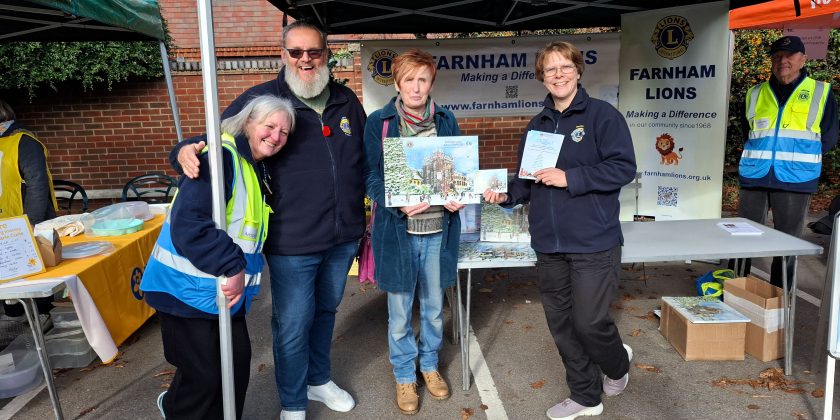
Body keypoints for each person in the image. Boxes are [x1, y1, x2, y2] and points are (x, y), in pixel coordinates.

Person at [170, 21, 366, 420]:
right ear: (283, 54)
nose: (305, 60)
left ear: (326, 54)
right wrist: (181, 150)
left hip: (343, 235)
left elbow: (365, 159)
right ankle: (293, 402)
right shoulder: (262, 98)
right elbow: (212, 139)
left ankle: (318, 379)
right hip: (292, 240)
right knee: (293, 324)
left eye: (314, 52)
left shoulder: (346, 100)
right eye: (296, 52)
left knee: (327, 313)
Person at [484, 41, 636, 420]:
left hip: (593, 242)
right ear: (542, 77)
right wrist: (504, 195)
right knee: (563, 326)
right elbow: (526, 182)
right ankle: (586, 396)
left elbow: (623, 168)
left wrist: (571, 177)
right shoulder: (537, 125)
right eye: (550, 70)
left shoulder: (603, 117)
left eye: (565, 67)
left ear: (578, 71)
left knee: (590, 322)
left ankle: (617, 364)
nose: (558, 75)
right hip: (549, 245)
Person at [141, 94, 296, 420]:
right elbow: (189, 224)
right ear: (249, 123)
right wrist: (232, 265)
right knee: (205, 379)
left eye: (284, 132)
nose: (276, 136)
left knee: (235, 370)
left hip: (222, 295)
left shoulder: (253, 165)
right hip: (183, 291)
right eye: (270, 126)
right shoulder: (222, 159)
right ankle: (174, 409)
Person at [363, 48, 463, 415]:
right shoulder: (381, 122)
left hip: (438, 230)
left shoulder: (447, 120)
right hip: (399, 233)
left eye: (423, 79)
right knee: (401, 312)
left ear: (431, 81)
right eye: (409, 79)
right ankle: (405, 374)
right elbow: (371, 176)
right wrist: (396, 202)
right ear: (398, 82)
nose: (416, 87)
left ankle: (430, 366)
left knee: (435, 309)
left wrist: (457, 195)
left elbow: (458, 170)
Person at [735, 35, 838, 289]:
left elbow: (829, 136)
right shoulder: (755, 93)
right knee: (740, 241)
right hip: (755, 175)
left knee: (787, 244)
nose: (784, 61)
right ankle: (735, 292)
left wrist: (797, 159)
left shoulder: (821, 92)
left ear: (802, 60)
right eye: (778, 56)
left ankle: (780, 302)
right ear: (771, 61)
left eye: (790, 56)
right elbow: (747, 133)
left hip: (796, 179)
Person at [0, 98, 58, 320]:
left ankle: (48, 326)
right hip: (5, 223)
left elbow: (37, 183)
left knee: (39, 284)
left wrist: (30, 222)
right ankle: (23, 329)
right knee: (12, 292)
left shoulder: (23, 141)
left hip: (29, 221)